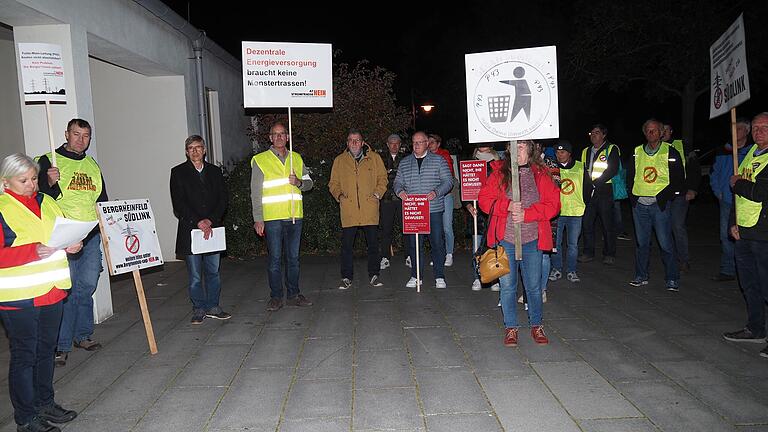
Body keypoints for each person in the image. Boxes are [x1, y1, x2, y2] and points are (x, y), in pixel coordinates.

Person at [0, 153, 81, 432]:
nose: (31, 184)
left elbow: (63, 233)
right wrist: (30, 251)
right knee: (25, 355)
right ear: (5, 182)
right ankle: (26, 418)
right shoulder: (1, 208)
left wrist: (73, 244)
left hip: (52, 290)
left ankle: (45, 403)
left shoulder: (47, 201)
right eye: (23, 180)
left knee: (46, 351)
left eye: (34, 178)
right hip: (18, 297)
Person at [37, 118, 107, 367]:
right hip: (62, 235)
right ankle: (61, 344)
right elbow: (37, 199)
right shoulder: (48, 160)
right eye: (76, 134)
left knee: (86, 286)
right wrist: (50, 182)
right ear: (66, 134)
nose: (81, 140)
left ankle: (83, 335)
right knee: (65, 289)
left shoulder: (91, 164)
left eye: (86, 135)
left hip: (89, 235)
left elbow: (102, 199)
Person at [478, 140, 560, 346]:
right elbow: (484, 201)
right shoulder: (498, 173)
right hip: (506, 240)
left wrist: (527, 214)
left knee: (533, 287)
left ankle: (536, 325)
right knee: (507, 287)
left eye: (522, 145)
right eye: (515, 146)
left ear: (530, 150)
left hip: (532, 240)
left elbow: (554, 205)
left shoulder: (541, 174)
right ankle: (511, 327)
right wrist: (507, 206)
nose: (518, 149)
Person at [251, 122, 314, 311]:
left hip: (294, 216)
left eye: (282, 134)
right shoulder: (260, 160)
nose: (279, 137)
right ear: (270, 138)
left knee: (293, 258)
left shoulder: (296, 157)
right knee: (275, 259)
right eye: (275, 134)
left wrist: (299, 182)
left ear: (287, 137)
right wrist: (258, 218)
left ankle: (293, 294)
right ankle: (276, 296)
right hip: (272, 218)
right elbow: (255, 192)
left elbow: (310, 183)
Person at [170, 135, 231, 325]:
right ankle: (199, 308)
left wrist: (210, 220)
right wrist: (198, 221)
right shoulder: (178, 172)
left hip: (213, 229)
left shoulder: (214, 172)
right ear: (187, 152)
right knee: (195, 275)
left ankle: (213, 306)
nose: (195, 151)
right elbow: (178, 203)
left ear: (205, 150)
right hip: (191, 230)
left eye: (198, 147)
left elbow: (223, 199)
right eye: (191, 148)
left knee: (213, 271)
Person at [722, 112, 768, 359]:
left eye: (765, 127)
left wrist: (737, 182)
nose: (759, 131)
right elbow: (738, 195)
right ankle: (755, 328)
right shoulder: (749, 154)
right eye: (757, 127)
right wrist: (733, 223)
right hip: (745, 229)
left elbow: (761, 191)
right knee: (749, 283)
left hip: (764, 232)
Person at [626, 119, 685, 290]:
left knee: (665, 242)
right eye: (648, 131)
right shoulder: (637, 152)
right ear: (644, 133)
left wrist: (664, 197)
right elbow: (629, 176)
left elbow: (678, 179)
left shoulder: (671, 152)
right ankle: (641, 275)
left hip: (659, 205)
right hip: (639, 206)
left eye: (654, 131)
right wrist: (633, 197)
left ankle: (672, 278)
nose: (651, 133)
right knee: (642, 243)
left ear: (661, 133)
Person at [329, 129, 388, 289]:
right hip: (349, 209)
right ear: (347, 143)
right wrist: (339, 196)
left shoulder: (374, 158)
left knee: (373, 245)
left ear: (363, 142)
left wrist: (378, 193)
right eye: (351, 140)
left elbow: (383, 178)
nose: (354, 143)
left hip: (369, 207)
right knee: (347, 246)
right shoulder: (339, 160)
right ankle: (346, 277)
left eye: (357, 140)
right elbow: (333, 183)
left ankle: (374, 274)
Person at [393, 131, 453, 289]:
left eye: (420, 142)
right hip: (414, 210)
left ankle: (439, 275)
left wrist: (436, 192)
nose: (416, 145)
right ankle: (416, 275)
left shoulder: (439, 160)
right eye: (414, 142)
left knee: (437, 243)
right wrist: (400, 192)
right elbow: (397, 182)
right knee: (414, 244)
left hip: (433, 209)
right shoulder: (405, 162)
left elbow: (448, 181)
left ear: (427, 143)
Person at [709, 118, 751, 281]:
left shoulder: (752, 151)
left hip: (747, 201)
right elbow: (714, 173)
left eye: (739, 128)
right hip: (727, 199)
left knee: (747, 236)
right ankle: (728, 269)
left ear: (747, 131)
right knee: (726, 235)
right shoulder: (723, 151)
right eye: (734, 128)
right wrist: (718, 192)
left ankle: (746, 269)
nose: (736, 131)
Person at [550, 141, 592, 283]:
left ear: (569, 153)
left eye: (562, 152)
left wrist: (584, 203)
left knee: (573, 244)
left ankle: (572, 270)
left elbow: (587, 187)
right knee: (556, 243)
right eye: (557, 152)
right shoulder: (552, 168)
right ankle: (557, 269)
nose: (559, 155)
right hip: (558, 212)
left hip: (575, 211)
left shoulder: (580, 166)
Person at [662, 123, 702, 272]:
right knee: (663, 228)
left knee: (677, 226)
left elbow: (694, 169)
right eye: (662, 130)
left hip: (680, 194)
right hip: (661, 195)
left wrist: (692, 189)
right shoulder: (655, 148)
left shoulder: (683, 146)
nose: (664, 132)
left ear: (671, 132)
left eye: (667, 130)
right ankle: (669, 258)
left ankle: (683, 259)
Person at [579, 123, 620, 265]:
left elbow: (612, 169)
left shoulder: (611, 149)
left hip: (605, 191)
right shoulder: (586, 151)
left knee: (607, 224)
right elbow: (583, 171)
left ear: (603, 135)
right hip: (589, 193)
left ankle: (609, 253)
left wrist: (597, 182)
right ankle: (588, 252)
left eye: (597, 132)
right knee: (587, 223)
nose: (594, 135)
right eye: (592, 133)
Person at [465, 144, 501, 291]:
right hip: (476, 210)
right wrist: (467, 205)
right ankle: (477, 277)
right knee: (477, 246)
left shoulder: (499, 163)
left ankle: (494, 278)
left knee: (495, 246)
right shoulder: (470, 163)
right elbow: (465, 186)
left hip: (495, 209)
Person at [378, 134, 406, 271]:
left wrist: (391, 173)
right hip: (386, 199)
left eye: (397, 143)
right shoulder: (380, 158)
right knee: (386, 229)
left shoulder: (406, 158)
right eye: (391, 143)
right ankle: (385, 257)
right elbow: (380, 178)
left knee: (406, 228)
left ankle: (409, 256)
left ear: (400, 144)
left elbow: (403, 177)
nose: (394, 146)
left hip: (403, 199)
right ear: (387, 144)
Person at [428, 133, 456, 266]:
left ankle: (449, 253)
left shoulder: (444, 155)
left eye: (432, 142)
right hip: (431, 196)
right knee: (435, 227)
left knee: (446, 226)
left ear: (438, 144)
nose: (429, 144)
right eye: (428, 142)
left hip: (445, 196)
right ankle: (438, 254)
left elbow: (448, 177)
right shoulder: (425, 155)